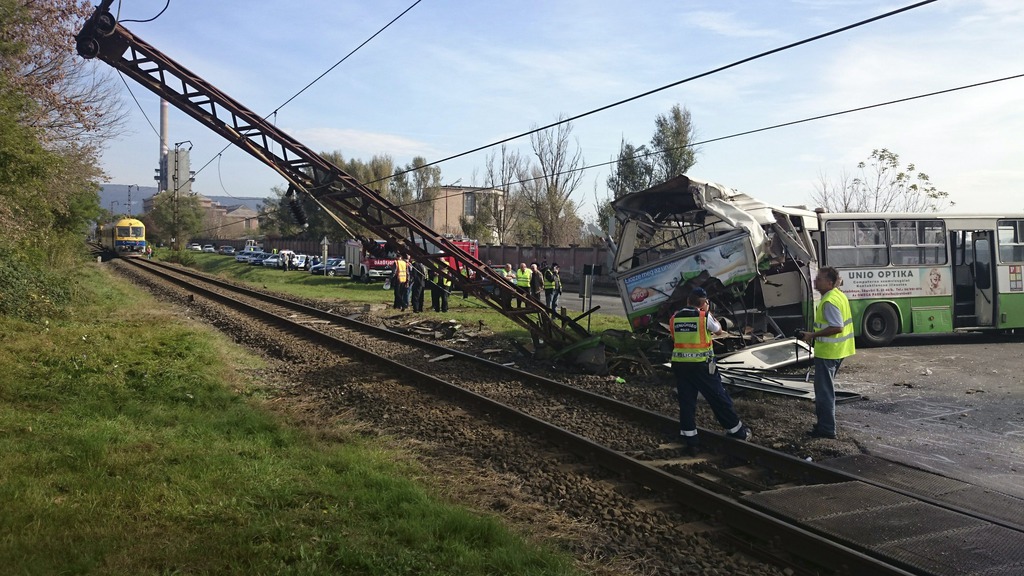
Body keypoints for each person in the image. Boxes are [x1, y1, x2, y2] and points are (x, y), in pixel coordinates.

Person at [670, 288, 750, 455]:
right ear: (703, 303)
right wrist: (707, 313)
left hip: (680, 366)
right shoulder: (703, 317)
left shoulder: (674, 317)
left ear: (688, 301)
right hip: (702, 366)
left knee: (686, 403)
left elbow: (675, 337)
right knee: (718, 398)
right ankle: (737, 431)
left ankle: (690, 441)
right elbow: (718, 330)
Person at [800, 267, 855, 439]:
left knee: (824, 393)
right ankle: (825, 426)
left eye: (820, 279)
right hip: (840, 350)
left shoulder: (829, 301)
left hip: (828, 353)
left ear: (829, 283)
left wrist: (812, 335)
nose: (816, 281)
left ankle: (826, 429)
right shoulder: (837, 294)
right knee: (826, 390)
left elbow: (837, 326)